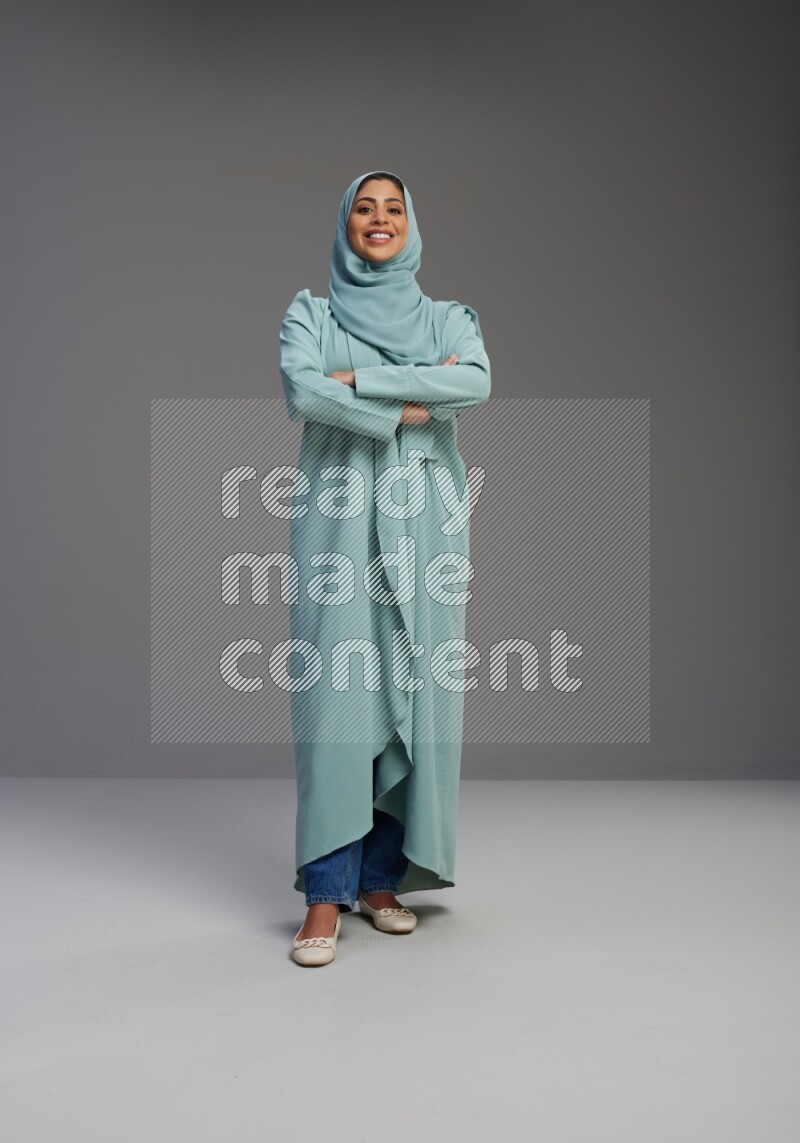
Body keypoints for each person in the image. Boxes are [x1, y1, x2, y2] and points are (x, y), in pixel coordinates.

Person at [278, 170, 491, 966]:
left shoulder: (449, 318)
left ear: (410, 224)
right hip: (337, 534)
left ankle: (379, 881)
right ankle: (324, 898)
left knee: (415, 692)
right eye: (364, 208)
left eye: (392, 208)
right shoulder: (313, 313)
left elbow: (474, 381)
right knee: (337, 704)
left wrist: (363, 384)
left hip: (428, 531)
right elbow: (304, 393)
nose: (378, 220)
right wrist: (415, 402)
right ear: (346, 223)